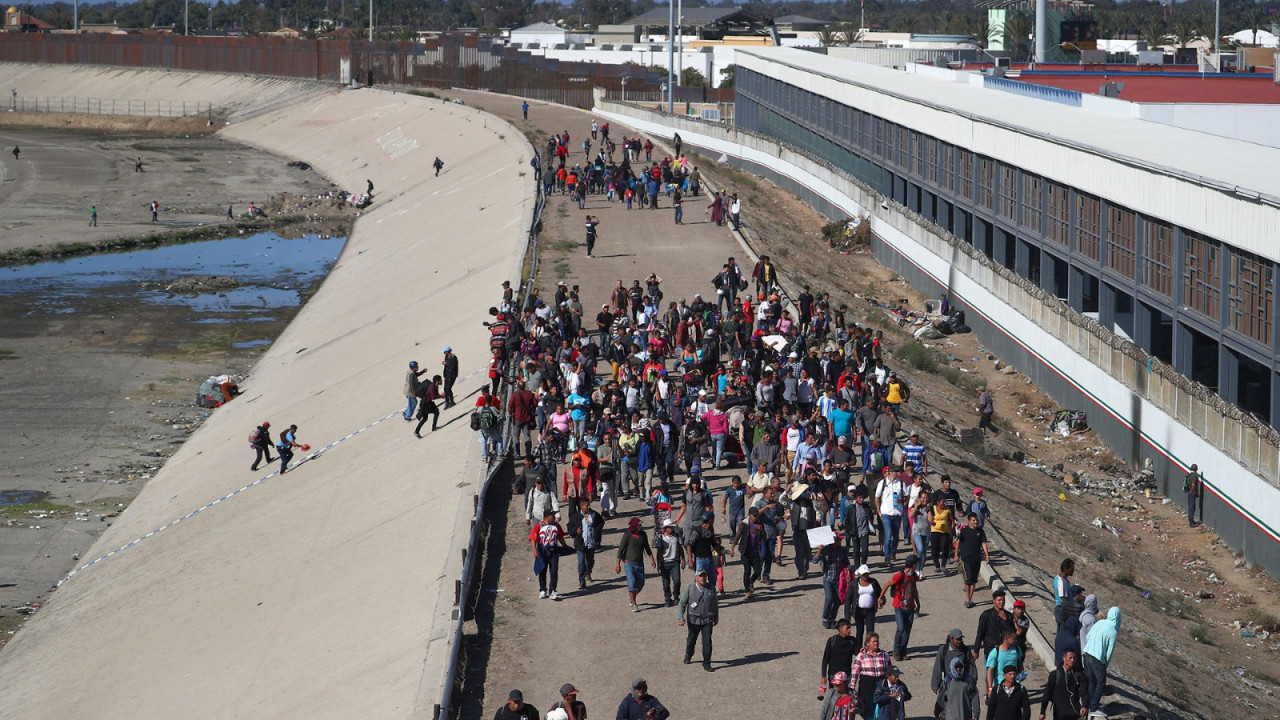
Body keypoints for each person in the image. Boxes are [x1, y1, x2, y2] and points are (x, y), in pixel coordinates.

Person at [879, 554, 922, 661]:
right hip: (899, 606)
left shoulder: (914, 576)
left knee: (907, 630)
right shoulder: (899, 575)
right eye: (916, 564)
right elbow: (887, 584)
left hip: (910, 606)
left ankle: (903, 651)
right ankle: (896, 651)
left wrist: (918, 604)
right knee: (901, 628)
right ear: (913, 565)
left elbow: (914, 590)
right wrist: (880, 597)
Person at [1081, 606, 1121, 718]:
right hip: (1098, 658)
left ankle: (1089, 704)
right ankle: (1094, 707)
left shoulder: (1099, 623)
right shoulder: (1112, 631)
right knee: (1101, 682)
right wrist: (1105, 664)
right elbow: (1109, 652)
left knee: (1092, 681)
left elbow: (1088, 636)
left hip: (1088, 652)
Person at [677, 568, 718, 671]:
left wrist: (716, 617)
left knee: (707, 642)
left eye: (704, 576)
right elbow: (682, 603)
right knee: (691, 640)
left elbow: (715, 604)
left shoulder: (711, 588)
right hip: (693, 620)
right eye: (700, 576)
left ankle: (707, 663)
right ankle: (688, 654)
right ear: (696, 578)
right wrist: (680, 617)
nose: (702, 578)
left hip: (707, 620)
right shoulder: (690, 588)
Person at [933, 628, 976, 717]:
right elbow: (937, 667)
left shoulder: (965, 650)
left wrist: (972, 682)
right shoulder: (943, 650)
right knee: (947, 707)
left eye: (961, 639)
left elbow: (972, 667)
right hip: (948, 683)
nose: (960, 641)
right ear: (951, 639)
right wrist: (935, 684)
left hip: (962, 683)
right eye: (957, 639)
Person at [616, 517, 655, 612]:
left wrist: (652, 559)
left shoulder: (643, 535)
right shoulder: (627, 535)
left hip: (639, 563)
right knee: (631, 583)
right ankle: (634, 604)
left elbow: (647, 547)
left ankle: (632, 597)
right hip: (629, 563)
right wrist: (618, 563)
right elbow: (621, 549)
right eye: (639, 525)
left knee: (641, 583)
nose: (640, 527)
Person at [1039, 649, 1090, 720]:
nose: (1072, 660)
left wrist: (1084, 705)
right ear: (1064, 658)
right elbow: (1047, 693)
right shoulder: (1055, 675)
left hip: (1075, 712)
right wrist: (1042, 711)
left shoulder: (1079, 674)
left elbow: (1084, 691)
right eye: (1070, 658)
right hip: (1059, 713)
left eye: (1074, 658)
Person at [850, 633, 891, 719]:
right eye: (873, 641)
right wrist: (852, 687)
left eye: (877, 641)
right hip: (867, 684)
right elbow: (855, 672)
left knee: (881, 706)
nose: (876, 643)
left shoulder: (884, 655)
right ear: (867, 643)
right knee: (867, 707)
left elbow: (889, 671)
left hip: (881, 683)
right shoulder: (861, 655)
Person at [532, 508, 569, 600]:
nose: (554, 517)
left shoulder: (556, 525)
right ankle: (542, 590)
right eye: (553, 516)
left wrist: (565, 546)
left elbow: (560, 537)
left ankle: (553, 590)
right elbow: (533, 538)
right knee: (542, 570)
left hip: (554, 551)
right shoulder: (539, 526)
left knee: (554, 571)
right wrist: (534, 550)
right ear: (547, 517)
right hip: (542, 551)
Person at [955, 513, 990, 608]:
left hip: (976, 558)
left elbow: (983, 543)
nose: (976, 522)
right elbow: (958, 542)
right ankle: (967, 599)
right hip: (966, 558)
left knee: (974, 580)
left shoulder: (980, 532)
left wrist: (986, 555)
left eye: (977, 520)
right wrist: (956, 554)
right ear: (969, 521)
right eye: (974, 520)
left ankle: (970, 598)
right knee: (968, 579)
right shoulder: (964, 531)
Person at [567, 497, 603, 589]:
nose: (588, 507)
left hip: (591, 542)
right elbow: (569, 527)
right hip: (580, 543)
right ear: (581, 506)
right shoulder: (576, 517)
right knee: (581, 561)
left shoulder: (594, 514)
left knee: (590, 560)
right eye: (586, 505)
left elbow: (601, 522)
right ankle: (581, 580)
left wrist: (597, 535)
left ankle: (588, 572)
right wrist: (575, 531)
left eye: (589, 505)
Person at [843, 564, 881, 648]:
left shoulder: (873, 582)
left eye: (867, 573)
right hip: (858, 611)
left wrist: (881, 600)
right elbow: (848, 600)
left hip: (870, 611)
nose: (866, 576)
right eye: (864, 574)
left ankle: (869, 648)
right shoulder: (854, 584)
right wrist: (847, 616)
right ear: (860, 574)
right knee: (859, 630)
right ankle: (858, 649)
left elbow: (880, 594)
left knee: (870, 631)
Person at [975, 590, 1016, 665]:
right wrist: (976, 651)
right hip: (990, 650)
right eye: (999, 600)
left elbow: (1012, 633)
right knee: (990, 674)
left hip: (1005, 651)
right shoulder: (986, 615)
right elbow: (980, 633)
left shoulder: (1009, 615)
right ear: (994, 601)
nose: (1001, 602)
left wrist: (1006, 620)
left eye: (1003, 600)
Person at [984, 630, 1023, 700]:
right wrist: (990, 688)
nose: (1016, 640)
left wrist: (1021, 674)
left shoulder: (1017, 649)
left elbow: (1019, 662)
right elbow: (990, 671)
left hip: (1015, 685)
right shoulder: (995, 652)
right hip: (1000, 685)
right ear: (1007, 639)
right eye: (1014, 639)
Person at [655, 519, 685, 607]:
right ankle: (667, 599)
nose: (671, 528)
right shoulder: (661, 538)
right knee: (666, 583)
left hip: (675, 562)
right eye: (669, 527)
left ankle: (676, 596)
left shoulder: (676, 536)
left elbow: (680, 548)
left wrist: (683, 559)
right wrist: (658, 563)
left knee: (677, 581)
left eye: (672, 527)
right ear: (666, 528)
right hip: (665, 563)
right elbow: (659, 552)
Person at [821, 620, 859, 689]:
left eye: (850, 628)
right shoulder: (832, 641)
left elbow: (858, 655)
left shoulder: (852, 641)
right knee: (834, 697)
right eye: (847, 628)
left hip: (847, 675)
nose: (849, 630)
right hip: (833, 675)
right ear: (840, 629)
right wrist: (824, 676)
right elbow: (825, 659)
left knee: (846, 698)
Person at [1052, 558, 1075, 632]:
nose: (1073, 570)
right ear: (1066, 568)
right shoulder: (1061, 582)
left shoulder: (1064, 581)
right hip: (1062, 609)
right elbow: (1064, 599)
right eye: (1071, 568)